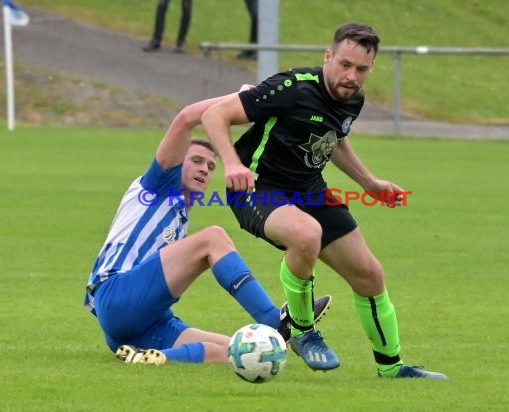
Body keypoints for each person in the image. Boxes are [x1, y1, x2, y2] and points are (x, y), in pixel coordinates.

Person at [201, 22, 447, 378]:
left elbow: (333, 140)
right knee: (306, 234)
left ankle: (392, 369)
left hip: (310, 190)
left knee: (369, 276)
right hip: (258, 188)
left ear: (371, 68)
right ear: (328, 56)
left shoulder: (353, 99)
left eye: (361, 69)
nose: (351, 76)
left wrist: (369, 183)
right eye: (344, 65)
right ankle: (302, 332)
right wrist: (233, 164)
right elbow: (215, 115)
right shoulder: (292, 88)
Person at [84, 85, 331, 365]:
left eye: (211, 167)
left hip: (140, 324)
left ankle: (148, 358)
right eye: (197, 161)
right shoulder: (158, 185)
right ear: (178, 162)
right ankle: (277, 321)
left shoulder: (179, 216)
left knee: (243, 349)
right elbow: (186, 117)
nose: (204, 169)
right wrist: (240, 100)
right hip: (118, 296)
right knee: (213, 238)